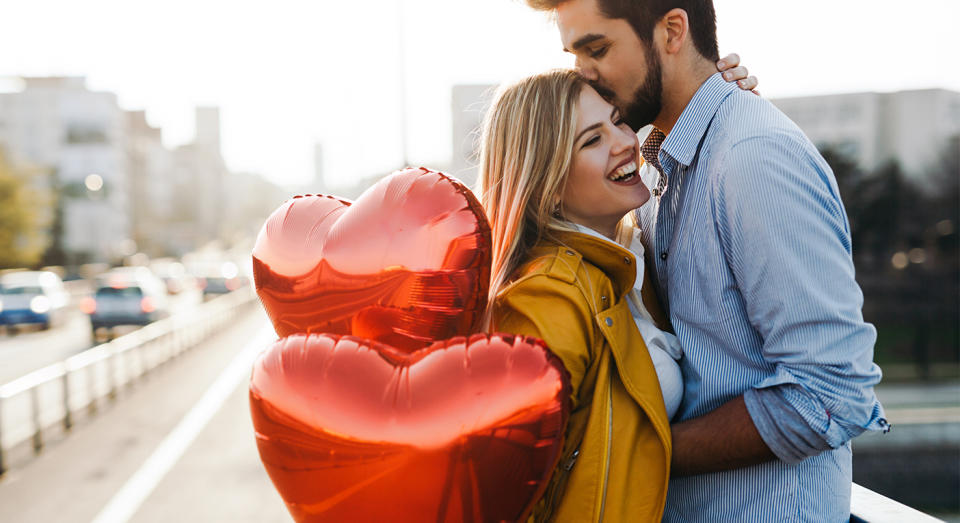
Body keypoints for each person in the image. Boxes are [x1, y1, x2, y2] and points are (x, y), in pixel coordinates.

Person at [522, 0, 889, 521]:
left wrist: (642, 455)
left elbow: (830, 392)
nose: (585, 74)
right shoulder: (651, 165)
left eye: (597, 49)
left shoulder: (752, 157)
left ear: (673, 31)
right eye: (575, 53)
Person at [478, 62, 755, 521]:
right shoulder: (547, 297)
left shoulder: (628, 255)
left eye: (617, 119)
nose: (626, 142)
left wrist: (720, 108)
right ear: (544, 182)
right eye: (592, 140)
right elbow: (503, 490)